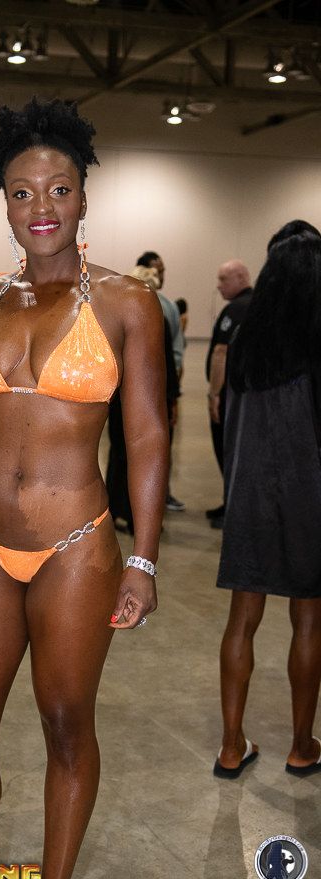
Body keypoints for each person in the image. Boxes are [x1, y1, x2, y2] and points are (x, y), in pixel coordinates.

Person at [0, 98, 169, 879]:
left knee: (65, 726)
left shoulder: (127, 302)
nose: (41, 206)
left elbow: (146, 435)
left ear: (83, 197)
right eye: (22, 192)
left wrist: (144, 559)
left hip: (74, 548)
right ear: (5, 205)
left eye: (58, 189)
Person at [213, 220, 321, 780]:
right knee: (309, 621)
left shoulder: (248, 337)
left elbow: (229, 420)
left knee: (242, 619)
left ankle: (231, 746)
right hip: (310, 495)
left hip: (249, 491)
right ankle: (302, 745)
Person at [106, 266, 179, 534]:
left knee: (121, 454)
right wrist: (172, 398)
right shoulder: (154, 319)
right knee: (138, 455)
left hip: (118, 399)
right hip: (141, 399)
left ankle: (118, 510)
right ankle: (131, 515)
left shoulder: (117, 318)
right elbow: (166, 367)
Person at [136, 251, 184, 512]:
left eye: (163, 270)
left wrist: (171, 394)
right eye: (158, 271)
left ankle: (160, 496)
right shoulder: (131, 305)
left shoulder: (169, 309)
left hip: (161, 391)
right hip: (137, 393)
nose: (162, 276)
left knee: (159, 447)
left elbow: (176, 352)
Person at [205, 260, 252, 528]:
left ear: (241, 277)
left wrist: (214, 394)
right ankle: (230, 503)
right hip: (245, 395)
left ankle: (233, 509)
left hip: (227, 396)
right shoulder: (257, 304)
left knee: (227, 450)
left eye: (224, 279)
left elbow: (220, 353)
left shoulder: (234, 310)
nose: (219, 285)